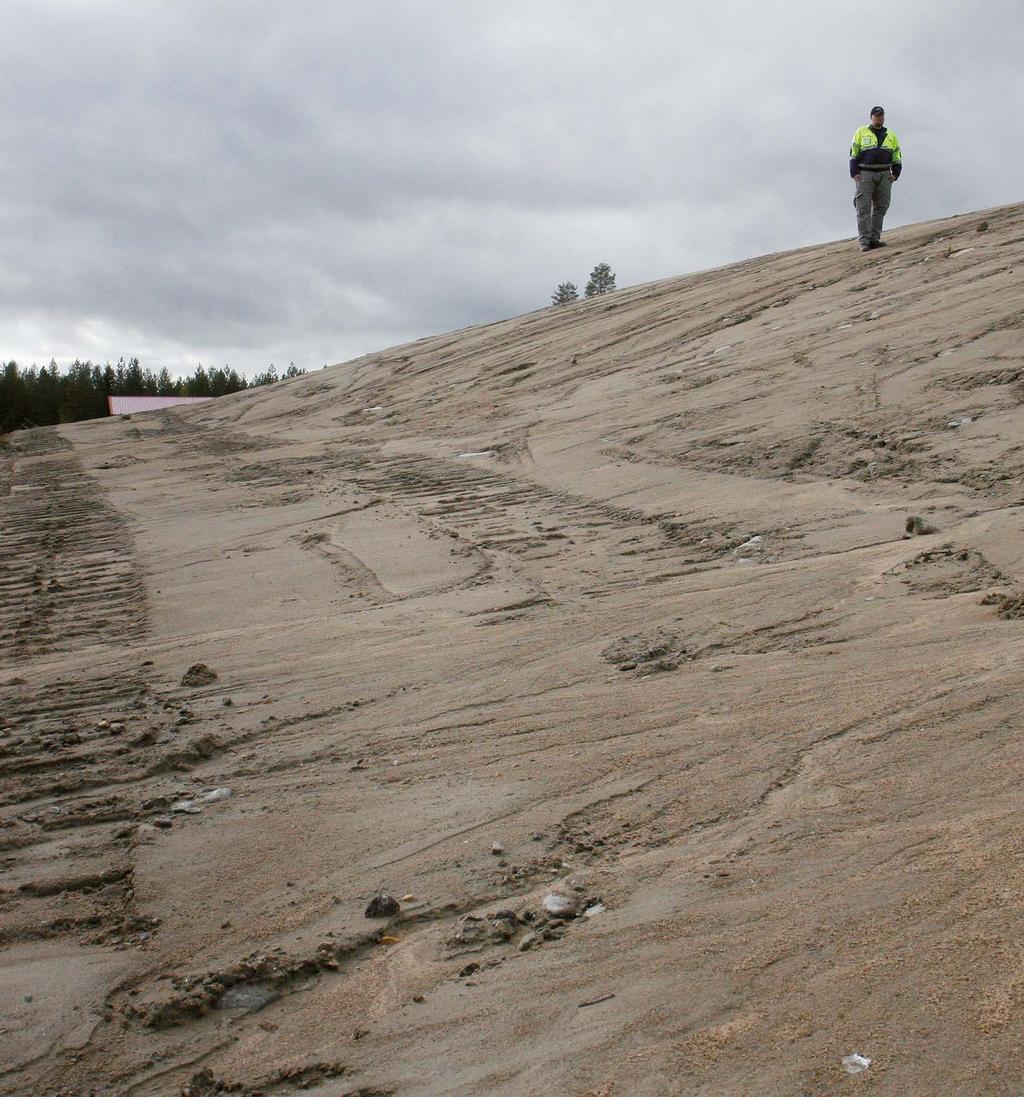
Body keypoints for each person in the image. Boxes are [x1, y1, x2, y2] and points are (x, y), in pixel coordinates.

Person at [850, 106, 902, 251]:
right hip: (865, 173)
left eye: (881, 115)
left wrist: (896, 173)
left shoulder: (890, 134)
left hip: (884, 173)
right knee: (863, 207)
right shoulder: (861, 132)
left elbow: (896, 154)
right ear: (871, 117)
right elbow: (854, 153)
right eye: (877, 115)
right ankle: (864, 241)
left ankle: (874, 238)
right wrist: (854, 172)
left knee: (881, 206)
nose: (879, 118)